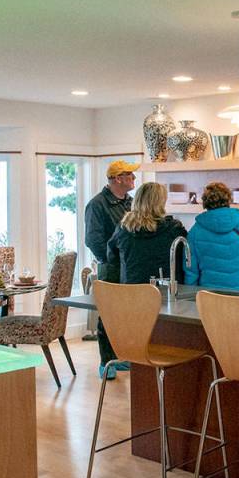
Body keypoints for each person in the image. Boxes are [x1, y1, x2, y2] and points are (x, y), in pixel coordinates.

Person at [83, 160, 139, 379]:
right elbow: (92, 239)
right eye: (130, 175)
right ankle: (106, 362)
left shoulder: (131, 203)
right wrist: (111, 259)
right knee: (108, 315)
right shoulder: (97, 205)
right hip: (111, 268)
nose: (134, 179)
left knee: (128, 316)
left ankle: (123, 356)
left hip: (130, 267)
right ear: (118, 179)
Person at [185, 182, 239, 294]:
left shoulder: (195, 232)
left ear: (205, 202)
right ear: (228, 199)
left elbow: (191, 272)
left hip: (212, 296)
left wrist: (192, 295)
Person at [107, 182, 187, 284]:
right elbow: (186, 260)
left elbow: (112, 258)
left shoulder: (123, 229)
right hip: (164, 290)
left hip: (130, 289)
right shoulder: (174, 229)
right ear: (161, 203)